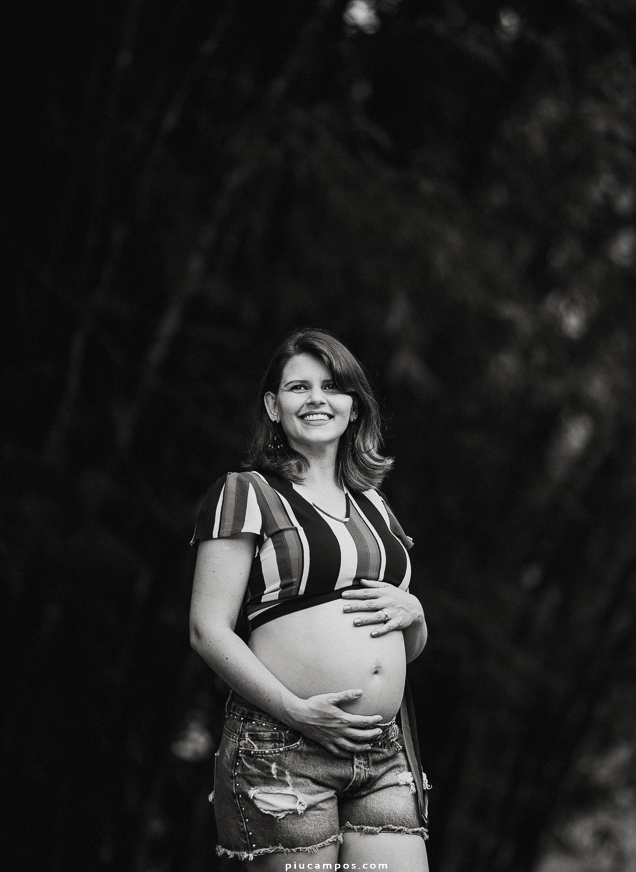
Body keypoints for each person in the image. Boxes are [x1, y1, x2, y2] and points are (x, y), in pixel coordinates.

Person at [189, 328, 429, 870]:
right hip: (285, 745)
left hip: (380, 751)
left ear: (353, 406)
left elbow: (404, 645)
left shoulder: (375, 505)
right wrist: (297, 712)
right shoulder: (246, 492)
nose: (317, 399)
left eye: (332, 386)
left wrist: (415, 615)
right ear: (273, 407)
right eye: (299, 387)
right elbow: (207, 630)